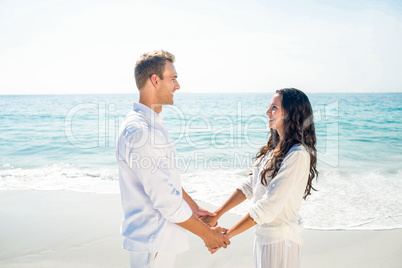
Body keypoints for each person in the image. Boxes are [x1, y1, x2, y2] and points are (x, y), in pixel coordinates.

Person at [116, 50, 230, 268]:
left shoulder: (153, 124)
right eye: (173, 79)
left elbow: (165, 179)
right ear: (155, 80)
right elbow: (165, 199)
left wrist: (193, 208)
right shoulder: (139, 131)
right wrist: (207, 235)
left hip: (158, 243)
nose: (178, 86)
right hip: (152, 244)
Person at [201, 88, 318, 268]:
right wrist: (218, 213)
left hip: (281, 240)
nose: (267, 112)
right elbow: (251, 185)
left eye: (274, 108)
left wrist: (226, 236)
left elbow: (268, 206)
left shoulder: (297, 154)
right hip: (264, 236)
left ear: (290, 114)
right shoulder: (274, 148)